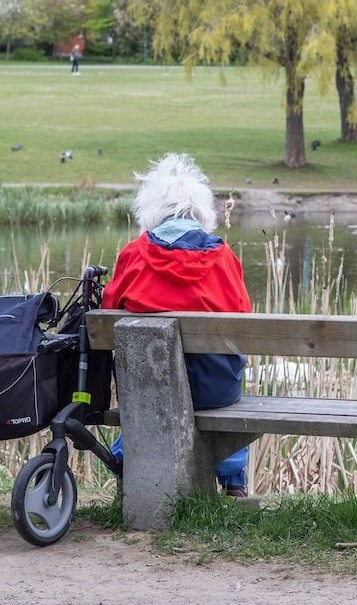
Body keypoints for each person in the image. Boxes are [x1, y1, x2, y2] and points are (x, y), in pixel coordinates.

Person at [103, 153, 252, 497]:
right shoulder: (225, 258)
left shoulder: (134, 255)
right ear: (202, 212)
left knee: (150, 385)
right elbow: (243, 321)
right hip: (214, 390)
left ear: (150, 211)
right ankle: (233, 481)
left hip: (149, 388)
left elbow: (108, 312)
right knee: (221, 371)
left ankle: (129, 466)